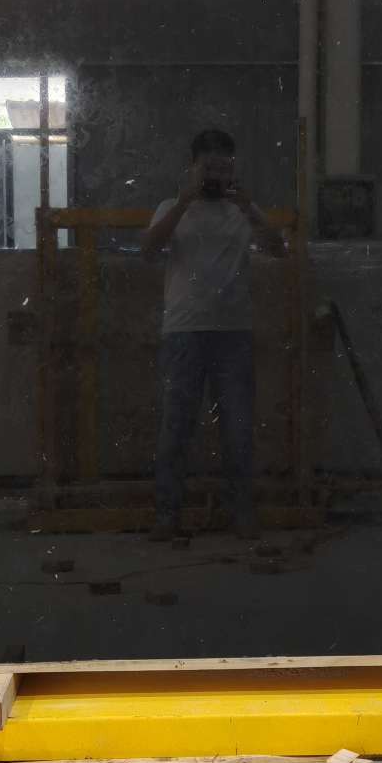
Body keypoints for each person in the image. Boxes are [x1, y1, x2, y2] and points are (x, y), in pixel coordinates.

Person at [141, 128, 286, 539]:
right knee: (175, 427)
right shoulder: (171, 206)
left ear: (233, 170)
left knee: (238, 429)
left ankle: (241, 512)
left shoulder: (244, 209)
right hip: (183, 332)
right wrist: (184, 200)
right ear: (193, 168)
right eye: (209, 167)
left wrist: (249, 207)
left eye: (224, 168)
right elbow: (148, 251)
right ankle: (167, 515)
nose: (216, 175)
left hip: (233, 333)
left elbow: (279, 249)